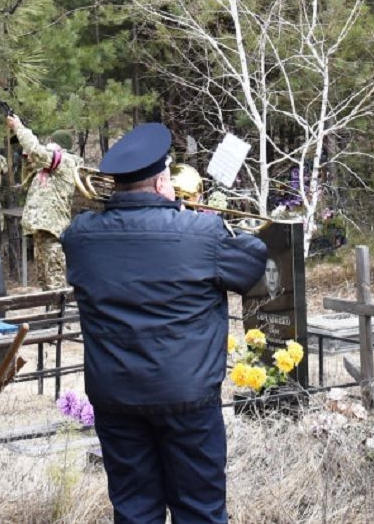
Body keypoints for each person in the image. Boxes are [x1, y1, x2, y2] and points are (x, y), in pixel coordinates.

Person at [62, 123, 268, 523]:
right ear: (161, 184)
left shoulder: (80, 237)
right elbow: (252, 258)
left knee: (134, 511)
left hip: (115, 396)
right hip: (187, 398)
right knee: (200, 511)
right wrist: (203, 220)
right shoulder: (203, 231)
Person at [6, 115, 80, 289]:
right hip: (40, 228)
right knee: (44, 282)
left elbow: (38, 152)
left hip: (53, 229)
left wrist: (19, 126)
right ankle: (51, 313)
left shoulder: (67, 162)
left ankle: (60, 314)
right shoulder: (47, 168)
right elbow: (26, 180)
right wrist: (27, 157)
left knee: (55, 282)